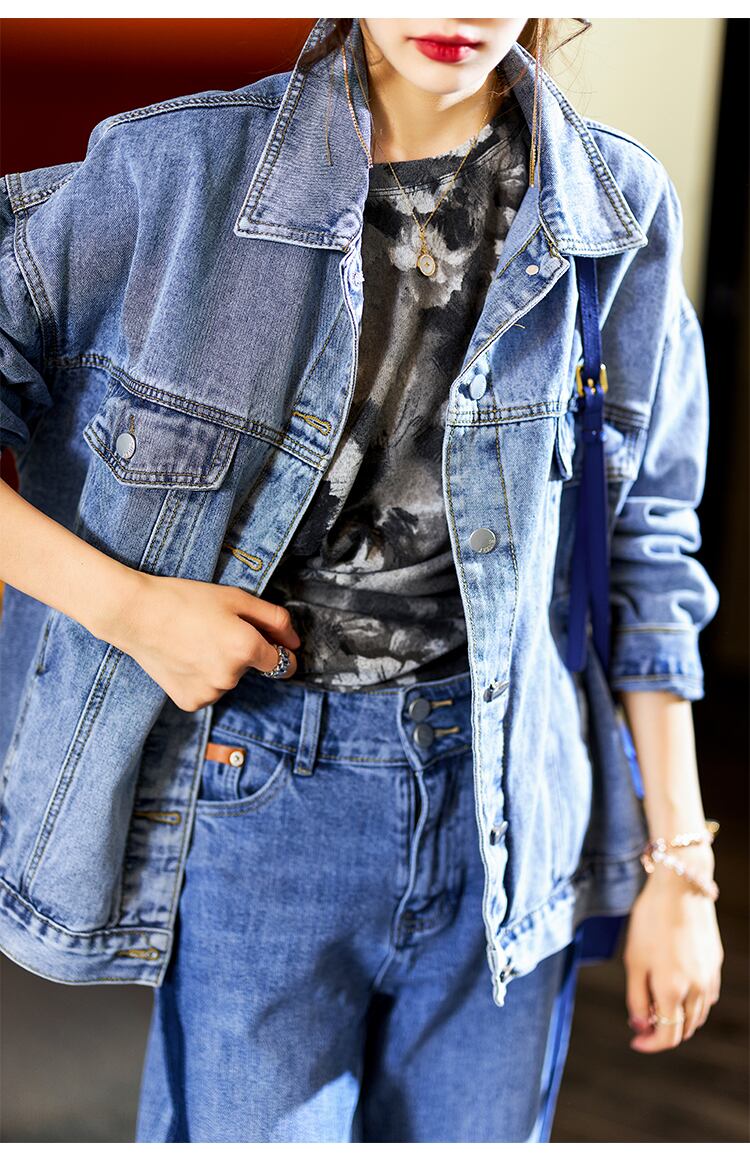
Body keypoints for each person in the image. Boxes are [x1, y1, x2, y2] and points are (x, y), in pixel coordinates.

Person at [0, 16, 724, 1143]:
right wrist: (132, 610)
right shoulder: (177, 172)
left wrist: (680, 866)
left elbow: (649, 545)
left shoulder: (614, 207)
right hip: (261, 793)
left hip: (510, 809)